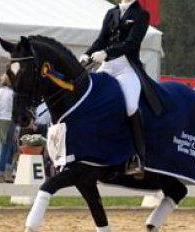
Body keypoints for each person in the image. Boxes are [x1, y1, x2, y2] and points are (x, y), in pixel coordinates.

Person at [79, 0, 150, 175]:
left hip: (127, 67)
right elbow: (101, 39)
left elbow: (132, 43)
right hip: (108, 66)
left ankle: (138, 156)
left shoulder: (141, 14)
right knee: (88, 98)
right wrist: (86, 54)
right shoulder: (112, 12)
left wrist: (107, 53)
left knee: (131, 106)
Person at [0, 73, 17, 182]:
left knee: (7, 147)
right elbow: (16, 109)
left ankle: (6, 171)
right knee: (8, 147)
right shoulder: (13, 94)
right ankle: (1, 171)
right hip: (9, 120)